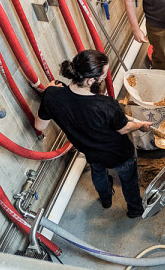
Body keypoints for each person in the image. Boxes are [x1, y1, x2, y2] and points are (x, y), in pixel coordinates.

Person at [35, 50, 152, 218]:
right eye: (103, 76)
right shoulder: (106, 105)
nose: (105, 78)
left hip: (91, 152)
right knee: (129, 180)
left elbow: (39, 125)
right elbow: (124, 128)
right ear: (91, 80)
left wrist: (49, 91)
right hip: (119, 154)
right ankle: (135, 209)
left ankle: (106, 200)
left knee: (98, 173)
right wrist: (140, 125)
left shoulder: (52, 96)